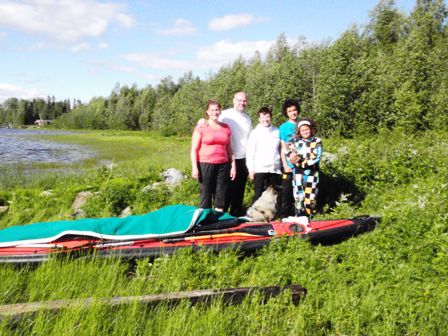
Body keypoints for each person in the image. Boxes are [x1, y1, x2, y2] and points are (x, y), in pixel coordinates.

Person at [191, 100, 236, 211]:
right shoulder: (201, 127)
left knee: (221, 194)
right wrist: (194, 168)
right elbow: (194, 149)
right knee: (205, 193)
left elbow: (230, 148)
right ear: (207, 112)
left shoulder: (226, 127)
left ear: (220, 111)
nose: (215, 112)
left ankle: (218, 220)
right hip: (205, 164)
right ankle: (204, 222)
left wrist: (233, 166)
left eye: (217, 110)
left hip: (223, 165)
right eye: (212, 110)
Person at [220, 92, 253, 216]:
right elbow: (211, 122)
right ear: (234, 100)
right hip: (228, 158)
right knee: (227, 188)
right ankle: (223, 214)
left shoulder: (247, 118)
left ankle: (236, 213)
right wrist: (201, 121)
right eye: (239, 100)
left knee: (240, 188)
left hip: (244, 158)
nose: (242, 103)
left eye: (244, 101)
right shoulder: (225, 115)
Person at [245, 107, 281, 205]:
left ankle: (272, 215)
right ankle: (254, 215)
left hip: (274, 169)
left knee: (274, 193)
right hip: (259, 169)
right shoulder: (255, 133)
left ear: (271, 117)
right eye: (263, 117)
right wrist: (251, 169)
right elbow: (250, 152)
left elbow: (281, 149)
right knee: (258, 194)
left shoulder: (277, 131)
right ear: (259, 119)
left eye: (268, 117)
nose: (266, 119)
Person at [287, 118, 322, 217]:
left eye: (306, 129)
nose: (305, 132)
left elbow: (316, 157)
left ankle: (311, 216)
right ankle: (299, 216)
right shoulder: (295, 141)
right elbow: (286, 148)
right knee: (298, 196)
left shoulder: (317, 141)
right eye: (302, 130)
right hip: (297, 174)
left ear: (311, 129)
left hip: (312, 173)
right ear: (299, 132)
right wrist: (291, 156)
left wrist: (301, 163)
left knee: (310, 197)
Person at [278, 99, 300, 218]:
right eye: (290, 111)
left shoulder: (302, 124)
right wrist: (285, 165)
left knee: (300, 192)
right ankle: (284, 216)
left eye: (294, 110)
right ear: (286, 113)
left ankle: (299, 214)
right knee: (286, 192)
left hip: (301, 165)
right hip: (289, 165)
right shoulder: (283, 127)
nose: (293, 113)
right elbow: (283, 147)